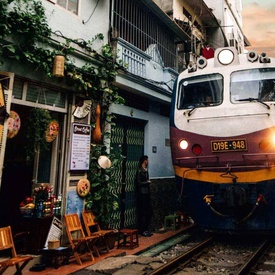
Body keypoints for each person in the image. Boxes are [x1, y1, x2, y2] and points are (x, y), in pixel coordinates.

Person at [135, 155, 153, 237]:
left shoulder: (145, 170)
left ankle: (145, 229)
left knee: (148, 212)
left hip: (146, 193)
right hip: (142, 193)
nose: (148, 162)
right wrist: (147, 182)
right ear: (144, 161)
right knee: (143, 212)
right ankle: (142, 230)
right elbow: (138, 183)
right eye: (147, 160)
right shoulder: (139, 171)